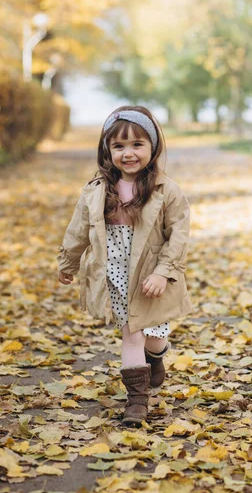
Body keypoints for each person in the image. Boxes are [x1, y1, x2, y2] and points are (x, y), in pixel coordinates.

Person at [57, 105, 192, 425]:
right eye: (119, 146)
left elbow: (179, 234)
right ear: (107, 150)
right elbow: (79, 229)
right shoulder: (96, 191)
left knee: (154, 337)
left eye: (137, 145)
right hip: (115, 274)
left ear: (153, 147)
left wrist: (163, 272)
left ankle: (156, 356)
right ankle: (137, 403)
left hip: (151, 275)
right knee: (131, 334)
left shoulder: (166, 189)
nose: (128, 153)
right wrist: (69, 261)